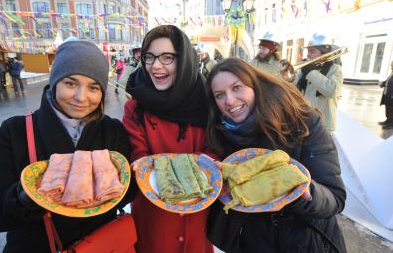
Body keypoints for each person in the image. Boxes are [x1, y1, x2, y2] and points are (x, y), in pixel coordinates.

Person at [0, 40, 134, 252]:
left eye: (93, 87)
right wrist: (24, 200)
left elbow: (125, 195)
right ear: (55, 81)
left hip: (102, 245)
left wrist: (132, 179)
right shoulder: (14, 132)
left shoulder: (112, 131)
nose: (80, 97)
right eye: (70, 83)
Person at [205, 58, 346, 253]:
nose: (229, 100)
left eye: (237, 88)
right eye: (219, 95)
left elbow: (335, 199)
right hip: (252, 243)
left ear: (255, 86)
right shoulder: (219, 134)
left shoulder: (303, 123)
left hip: (305, 242)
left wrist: (300, 194)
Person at [122, 25, 214, 253]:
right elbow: (139, 153)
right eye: (150, 57)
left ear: (184, 61)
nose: (156, 66)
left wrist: (207, 163)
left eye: (167, 58)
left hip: (197, 212)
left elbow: (213, 149)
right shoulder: (135, 107)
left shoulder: (206, 102)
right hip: (154, 216)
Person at [295, 34, 343, 132]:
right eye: (308, 51)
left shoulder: (335, 69)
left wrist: (310, 72)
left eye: (312, 51)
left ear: (323, 53)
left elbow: (332, 91)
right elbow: (294, 89)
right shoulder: (307, 69)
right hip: (304, 121)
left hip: (323, 125)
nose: (308, 55)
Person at [378, 60, 393, 130]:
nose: (391, 66)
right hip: (387, 93)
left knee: (391, 109)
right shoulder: (392, 73)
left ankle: (391, 124)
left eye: (392, 65)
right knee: (388, 108)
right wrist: (382, 83)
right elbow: (388, 82)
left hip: (391, 95)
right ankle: (387, 120)